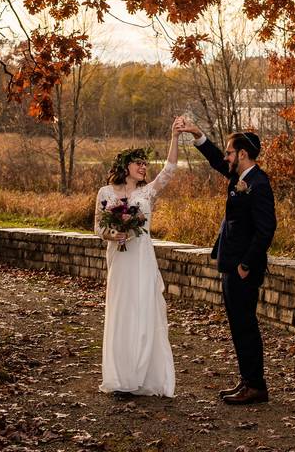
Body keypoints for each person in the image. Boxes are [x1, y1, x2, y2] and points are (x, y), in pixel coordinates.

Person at [176, 119, 277, 405]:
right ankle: (248, 380)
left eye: (231, 152)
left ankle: (256, 386)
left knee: (245, 325)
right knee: (237, 324)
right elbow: (215, 161)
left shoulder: (258, 183)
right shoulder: (238, 177)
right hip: (231, 264)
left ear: (243, 154)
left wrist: (245, 265)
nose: (227, 157)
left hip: (244, 269)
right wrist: (198, 135)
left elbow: (266, 228)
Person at [95, 119, 184, 397]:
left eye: (146, 164)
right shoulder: (106, 193)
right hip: (120, 262)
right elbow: (98, 227)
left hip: (143, 260)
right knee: (122, 312)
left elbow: (169, 170)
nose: (144, 167)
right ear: (125, 167)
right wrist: (115, 235)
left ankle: (145, 375)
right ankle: (121, 378)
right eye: (139, 163)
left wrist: (174, 136)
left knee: (144, 310)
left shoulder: (148, 193)